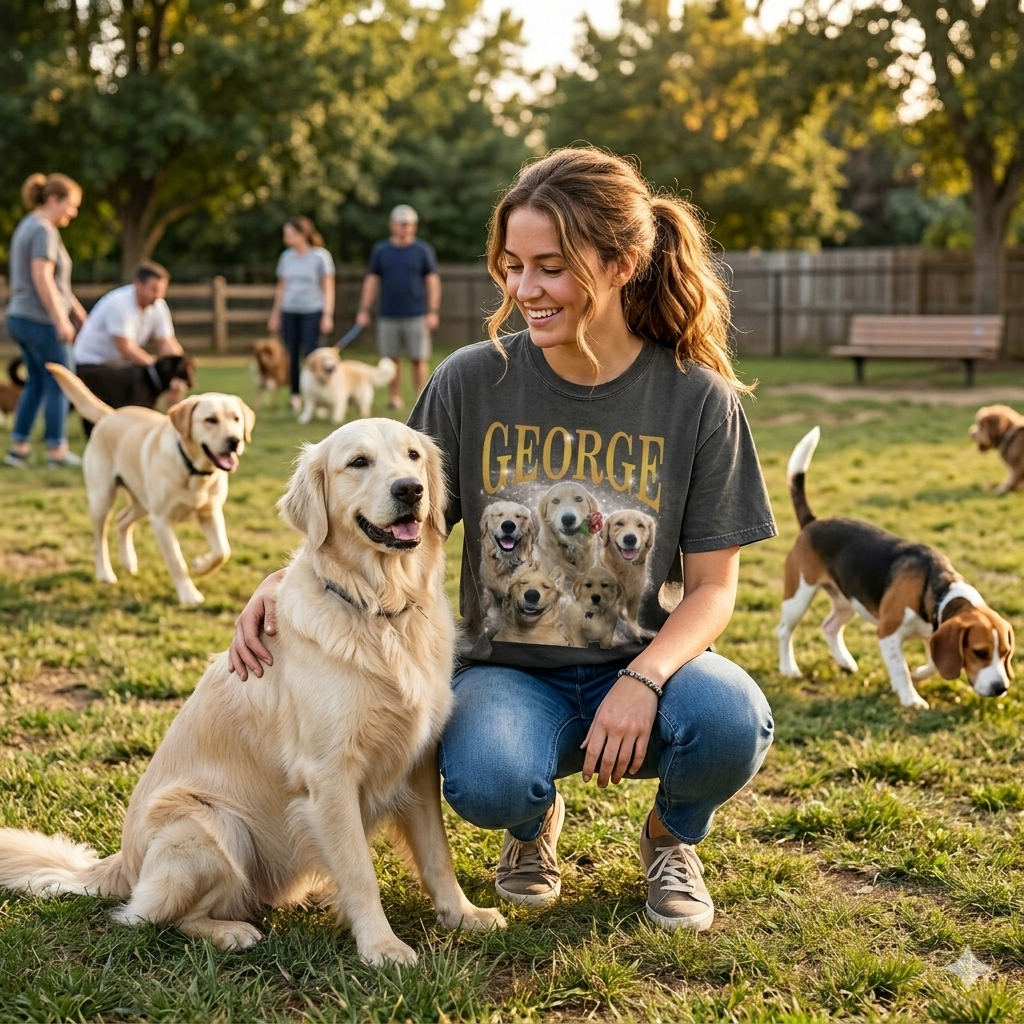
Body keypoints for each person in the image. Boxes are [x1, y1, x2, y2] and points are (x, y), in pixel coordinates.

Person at [228, 148, 776, 933]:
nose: (524, 291)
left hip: (649, 665)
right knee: (485, 777)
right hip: (508, 673)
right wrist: (283, 584)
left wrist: (646, 679)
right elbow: (378, 507)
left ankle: (671, 838)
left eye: (549, 268)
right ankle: (530, 824)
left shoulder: (698, 398)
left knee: (733, 722)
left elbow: (715, 589)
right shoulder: (468, 380)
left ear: (620, 264)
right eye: (512, 267)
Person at [4, 172, 89, 468]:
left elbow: (56, 282)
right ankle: (57, 452)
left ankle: (19, 449)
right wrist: (60, 320)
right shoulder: (44, 230)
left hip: (20, 316)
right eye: (71, 205)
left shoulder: (28, 225)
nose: (73, 212)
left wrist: (75, 310)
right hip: (40, 319)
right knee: (62, 382)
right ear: (53, 200)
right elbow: (42, 278)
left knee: (37, 383)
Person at [73, 261, 188, 428]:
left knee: (142, 374)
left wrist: (179, 371)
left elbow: (167, 342)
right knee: (139, 377)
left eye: (162, 291)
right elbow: (125, 348)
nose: (158, 296)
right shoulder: (120, 304)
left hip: (117, 365)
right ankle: (138, 421)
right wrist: (157, 369)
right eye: (154, 290)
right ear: (138, 285)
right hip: (90, 363)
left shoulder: (158, 306)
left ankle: (145, 421)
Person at [356, 204, 440, 409]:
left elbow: (432, 282)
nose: (404, 228)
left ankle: (421, 398)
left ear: (414, 226)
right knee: (392, 359)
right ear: (392, 225)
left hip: (416, 314)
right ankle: (395, 398)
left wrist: (432, 311)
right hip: (388, 314)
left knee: (418, 358)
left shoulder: (422, 251)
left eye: (408, 224)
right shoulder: (381, 251)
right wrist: (364, 309)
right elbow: (371, 281)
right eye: (400, 224)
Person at [267, 216, 335, 412]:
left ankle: (318, 398)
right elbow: (282, 288)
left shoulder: (320, 257)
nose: (286, 238)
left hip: (312, 311)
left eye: (289, 234)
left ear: (303, 233)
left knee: (313, 356)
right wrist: (275, 315)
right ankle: (295, 396)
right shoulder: (286, 257)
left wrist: (327, 314)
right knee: (291, 356)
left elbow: (328, 287)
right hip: (290, 311)